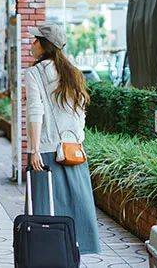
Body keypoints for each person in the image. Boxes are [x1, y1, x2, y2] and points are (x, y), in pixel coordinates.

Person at [24, 23, 100, 255]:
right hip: (74, 152)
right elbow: (81, 112)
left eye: (35, 40)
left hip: (46, 152)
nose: (32, 43)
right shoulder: (72, 72)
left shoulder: (34, 73)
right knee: (76, 212)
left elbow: (35, 111)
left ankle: (48, 257)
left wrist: (34, 149)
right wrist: (75, 140)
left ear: (44, 45)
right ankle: (72, 256)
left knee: (45, 213)